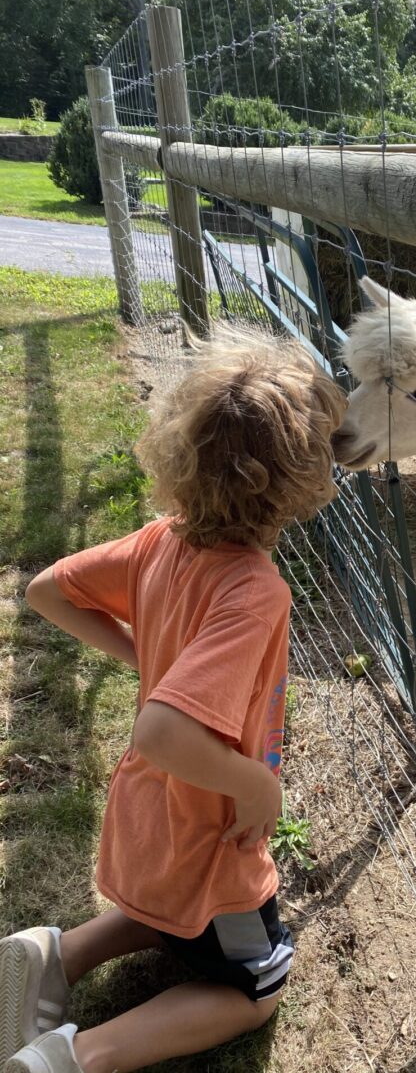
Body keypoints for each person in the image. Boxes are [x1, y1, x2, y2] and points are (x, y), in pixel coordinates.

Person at [0, 328, 346, 1073]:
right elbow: (163, 731)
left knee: (179, 916)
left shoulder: (162, 540)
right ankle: (76, 1057)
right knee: (257, 982)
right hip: (213, 834)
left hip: (147, 820)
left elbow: (48, 591)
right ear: (300, 478)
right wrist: (259, 784)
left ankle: (55, 954)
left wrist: (144, 657)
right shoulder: (254, 591)